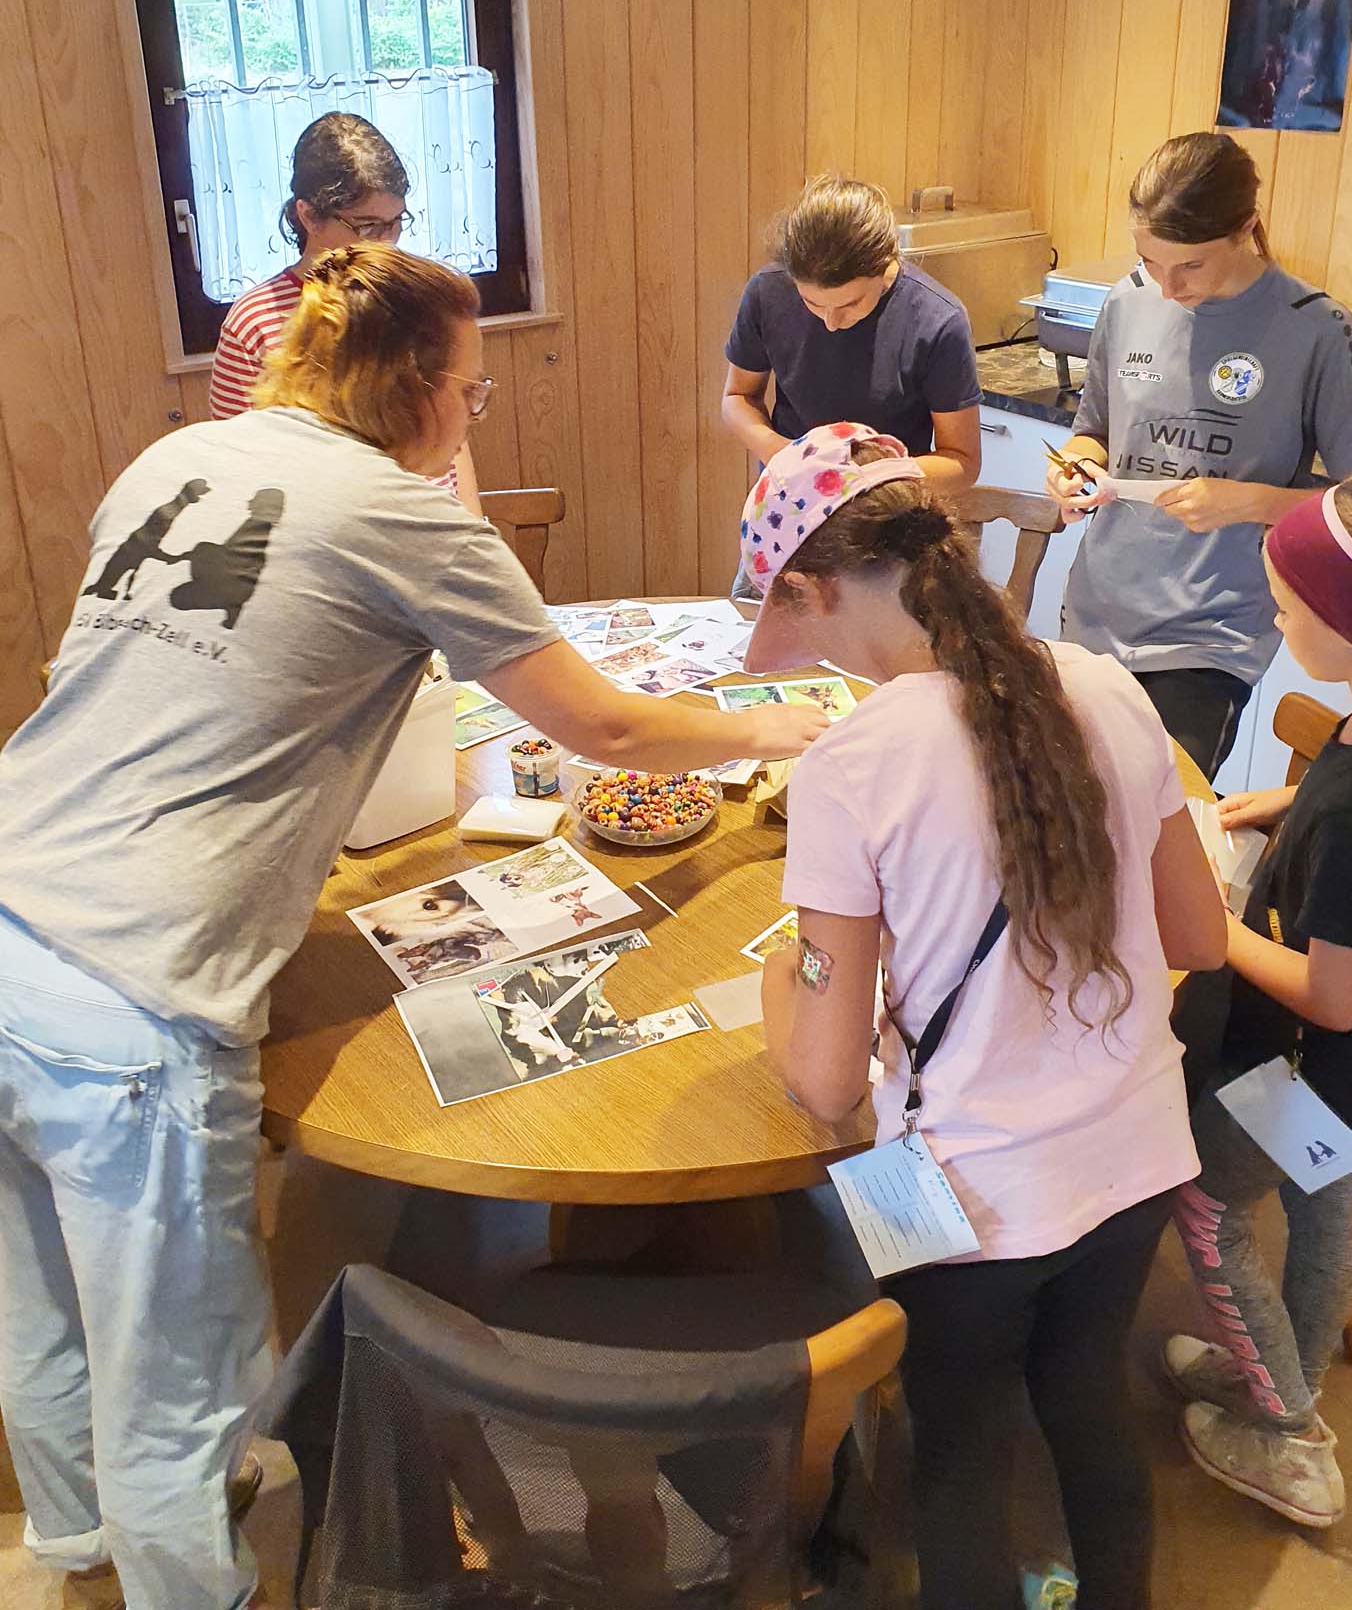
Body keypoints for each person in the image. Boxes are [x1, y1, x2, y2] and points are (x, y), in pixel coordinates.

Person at [0, 244, 825, 1610]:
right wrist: (765, 728)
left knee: (37, 1288)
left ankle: (73, 1542)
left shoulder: (170, 460)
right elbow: (606, 725)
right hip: (132, 987)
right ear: (412, 388)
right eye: (471, 389)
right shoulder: (401, 511)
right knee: (176, 1380)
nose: (470, 413)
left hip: (11, 892)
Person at [749, 423, 1227, 1610]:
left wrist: (782, 983)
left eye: (790, 613)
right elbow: (1198, 938)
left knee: (957, 1445)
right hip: (1136, 1151)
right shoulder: (1106, 684)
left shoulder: (849, 764)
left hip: (960, 1193)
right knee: (1086, 1402)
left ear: (813, 587)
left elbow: (825, 1081)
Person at [1167, 469, 1352, 1529]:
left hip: (1313, 1071)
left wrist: (1212, 929)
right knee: (1324, 1208)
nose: (1274, 621)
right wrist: (1287, 799)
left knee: (1204, 1205)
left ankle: (1290, 1434)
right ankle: (1285, 1376)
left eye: (1283, 606)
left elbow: (1331, 996)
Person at [1045, 132, 1352, 781]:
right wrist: (1073, 467)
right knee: (1062, 811)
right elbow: (1094, 430)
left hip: (1211, 635)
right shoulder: (1127, 300)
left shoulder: (1314, 327)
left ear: (1245, 230)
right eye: (1150, 260)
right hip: (1098, 610)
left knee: (1153, 816)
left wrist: (1250, 502)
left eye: (1190, 266)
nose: (1168, 288)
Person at [208, 112, 471, 503]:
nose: (387, 242)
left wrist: (472, 523)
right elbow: (238, 465)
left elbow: (452, 427)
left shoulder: (418, 296)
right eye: (367, 226)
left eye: (396, 221)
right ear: (309, 216)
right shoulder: (254, 322)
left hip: (431, 512)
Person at [723, 173, 982, 484]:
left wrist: (860, 478)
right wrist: (781, 454)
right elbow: (738, 395)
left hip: (893, 498)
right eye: (812, 303)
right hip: (792, 488)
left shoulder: (937, 321)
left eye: (851, 304)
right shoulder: (768, 291)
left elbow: (962, 462)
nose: (830, 323)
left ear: (885, 263)